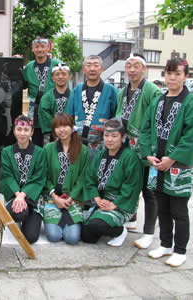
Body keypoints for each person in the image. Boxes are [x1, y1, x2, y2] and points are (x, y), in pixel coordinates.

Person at [140, 58, 193, 267]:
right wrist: (148, 154)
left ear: (186, 76)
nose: (172, 78)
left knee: (179, 210)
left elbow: (190, 136)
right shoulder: (158, 100)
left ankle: (180, 250)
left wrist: (172, 158)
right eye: (169, 73)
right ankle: (165, 244)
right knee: (162, 207)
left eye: (177, 74)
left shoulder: (192, 102)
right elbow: (146, 129)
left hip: (178, 166)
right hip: (156, 164)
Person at [115, 53, 162, 245]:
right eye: (129, 66)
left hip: (148, 148)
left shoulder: (152, 91)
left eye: (136, 66)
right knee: (130, 184)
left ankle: (149, 232)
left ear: (144, 69)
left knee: (149, 190)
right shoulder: (122, 92)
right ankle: (131, 218)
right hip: (127, 147)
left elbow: (158, 121)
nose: (132, 70)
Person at [82, 118, 143, 246]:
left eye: (114, 136)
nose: (109, 139)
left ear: (123, 137)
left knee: (95, 225)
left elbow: (132, 186)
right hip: (101, 201)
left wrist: (114, 204)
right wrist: (97, 199)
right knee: (86, 236)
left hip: (120, 204)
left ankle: (119, 231)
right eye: (106, 135)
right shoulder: (101, 155)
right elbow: (90, 178)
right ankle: (102, 223)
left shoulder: (130, 158)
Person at [42, 113, 89, 244]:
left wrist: (71, 197)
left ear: (72, 127)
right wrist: (54, 197)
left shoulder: (83, 150)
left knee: (72, 238)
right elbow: (44, 175)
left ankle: (69, 223)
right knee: (53, 236)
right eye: (57, 127)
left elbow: (83, 177)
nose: (61, 130)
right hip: (53, 198)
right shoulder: (48, 149)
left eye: (65, 126)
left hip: (72, 199)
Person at [0, 115, 46, 244]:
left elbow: (39, 177)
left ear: (31, 131)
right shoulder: (7, 152)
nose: (22, 133)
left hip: (33, 198)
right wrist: (17, 195)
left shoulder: (40, 152)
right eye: (19, 129)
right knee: (17, 214)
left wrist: (23, 195)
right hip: (14, 196)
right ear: (14, 130)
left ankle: (29, 215)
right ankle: (23, 214)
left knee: (31, 238)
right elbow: (6, 176)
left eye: (26, 130)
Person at [67, 55, 118, 159]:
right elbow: (69, 117)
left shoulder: (111, 91)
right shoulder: (77, 90)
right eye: (89, 65)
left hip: (103, 144)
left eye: (96, 65)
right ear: (84, 69)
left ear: (102, 69)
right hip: (79, 143)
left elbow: (116, 117)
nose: (92, 69)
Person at [23, 36, 61, 147]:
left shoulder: (56, 64)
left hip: (52, 107)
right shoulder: (29, 67)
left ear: (48, 48)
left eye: (43, 46)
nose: (40, 49)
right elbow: (23, 84)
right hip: (35, 108)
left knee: (55, 140)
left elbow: (64, 86)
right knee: (36, 140)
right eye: (37, 47)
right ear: (32, 48)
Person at [39, 62, 71, 145]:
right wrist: (58, 128)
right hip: (51, 134)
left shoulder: (75, 96)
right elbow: (44, 115)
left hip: (70, 133)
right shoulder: (46, 97)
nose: (60, 77)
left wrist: (67, 128)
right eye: (57, 74)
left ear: (69, 77)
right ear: (52, 78)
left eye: (64, 74)